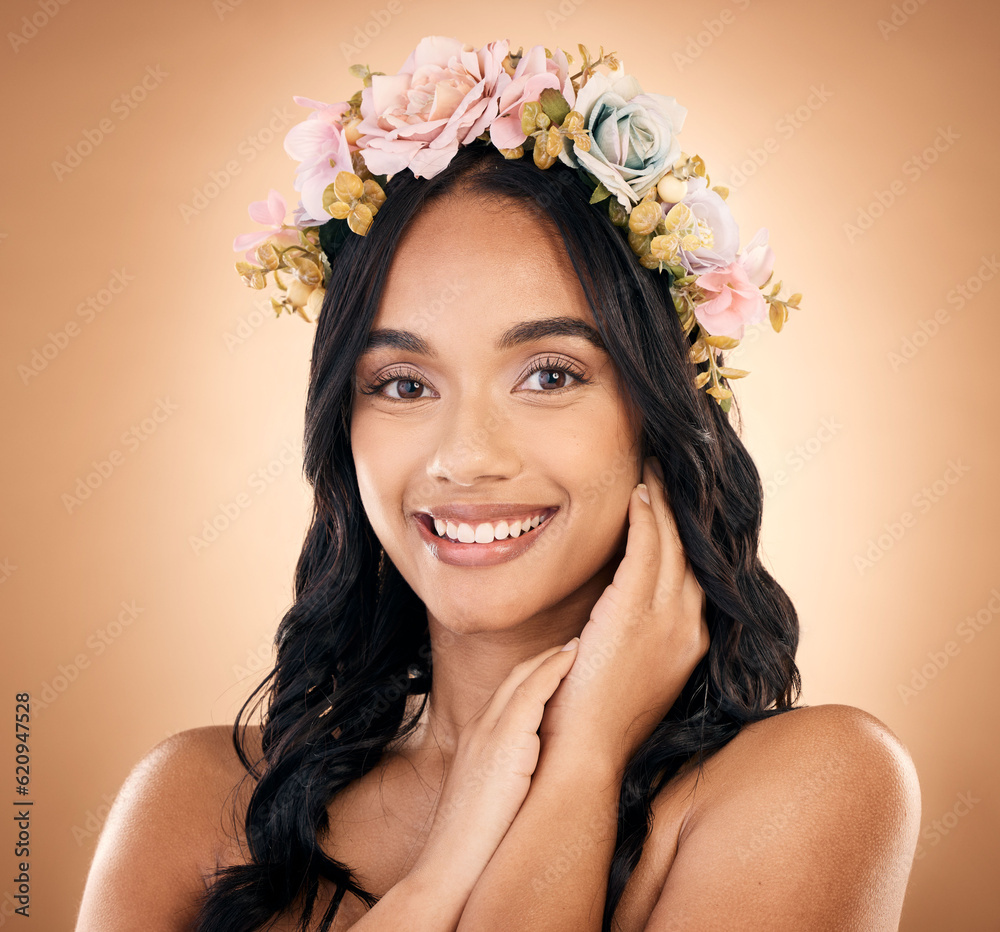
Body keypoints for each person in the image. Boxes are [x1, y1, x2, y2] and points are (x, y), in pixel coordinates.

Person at [74, 37, 921, 932]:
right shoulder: (193, 805)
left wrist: (582, 765)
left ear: (658, 411)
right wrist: (443, 873)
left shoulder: (809, 784)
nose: (465, 456)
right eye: (404, 385)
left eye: (550, 374)